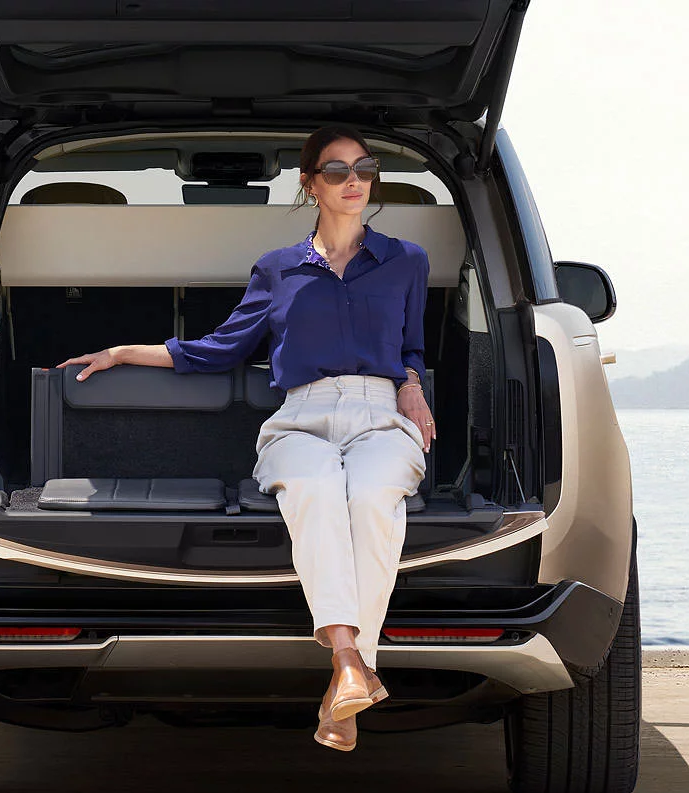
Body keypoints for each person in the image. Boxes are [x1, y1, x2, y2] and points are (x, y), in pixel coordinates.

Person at [57, 124, 435, 752]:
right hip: (301, 418)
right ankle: (350, 667)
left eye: (364, 169)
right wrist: (125, 351)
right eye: (337, 171)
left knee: (372, 501)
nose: (353, 182)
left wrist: (414, 384)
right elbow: (218, 349)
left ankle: (346, 672)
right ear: (309, 183)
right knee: (314, 489)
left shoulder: (406, 261)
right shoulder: (278, 269)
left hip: (379, 414)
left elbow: (413, 344)